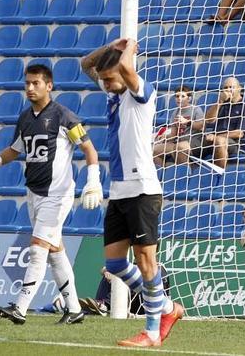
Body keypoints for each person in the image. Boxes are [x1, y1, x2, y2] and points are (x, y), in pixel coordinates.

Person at [0, 64, 103, 325]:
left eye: (36, 83)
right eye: (27, 83)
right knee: (55, 250)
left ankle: (20, 307)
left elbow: (89, 150)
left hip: (57, 194)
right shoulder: (25, 118)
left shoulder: (64, 116)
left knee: (37, 249)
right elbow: (15, 149)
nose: (30, 88)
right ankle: (73, 308)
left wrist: (93, 182)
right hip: (34, 192)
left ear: (49, 85)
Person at [81, 38, 183, 348]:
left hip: (143, 191)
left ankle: (152, 332)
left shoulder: (142, 94)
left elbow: (125, 67)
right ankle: (167, 307)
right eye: (105, 80)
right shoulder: (113, 92)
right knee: (113, 265)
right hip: (120, 192)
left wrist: (129, 49)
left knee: (145, 263)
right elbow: (86, 64)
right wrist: (109, 47)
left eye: (110, 79)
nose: (106, 84)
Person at [202, 77, 245, 169]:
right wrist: (220, 102)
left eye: (231, 87)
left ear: (239, 89)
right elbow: (209, 120)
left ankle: (218, 175)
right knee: (183, 146)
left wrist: (216, 137)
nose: (228, 90)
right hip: (214, 139)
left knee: (219, 141)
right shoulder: (221, 103)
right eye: (225, 88)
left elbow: (239, 133)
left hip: (236, 144)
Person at [153, 85, 206, 167]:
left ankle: (186, 172)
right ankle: (163, 174)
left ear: (189, 98)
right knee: (155, 150)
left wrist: (187, 122)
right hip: (178, 142)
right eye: (177, 96)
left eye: (182, 96)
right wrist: (164, 137)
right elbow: (173, 134)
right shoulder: (175, 112)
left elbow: (201, 126)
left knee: (179, 148)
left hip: (193, 142)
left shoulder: (196, 109)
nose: (179, 98)